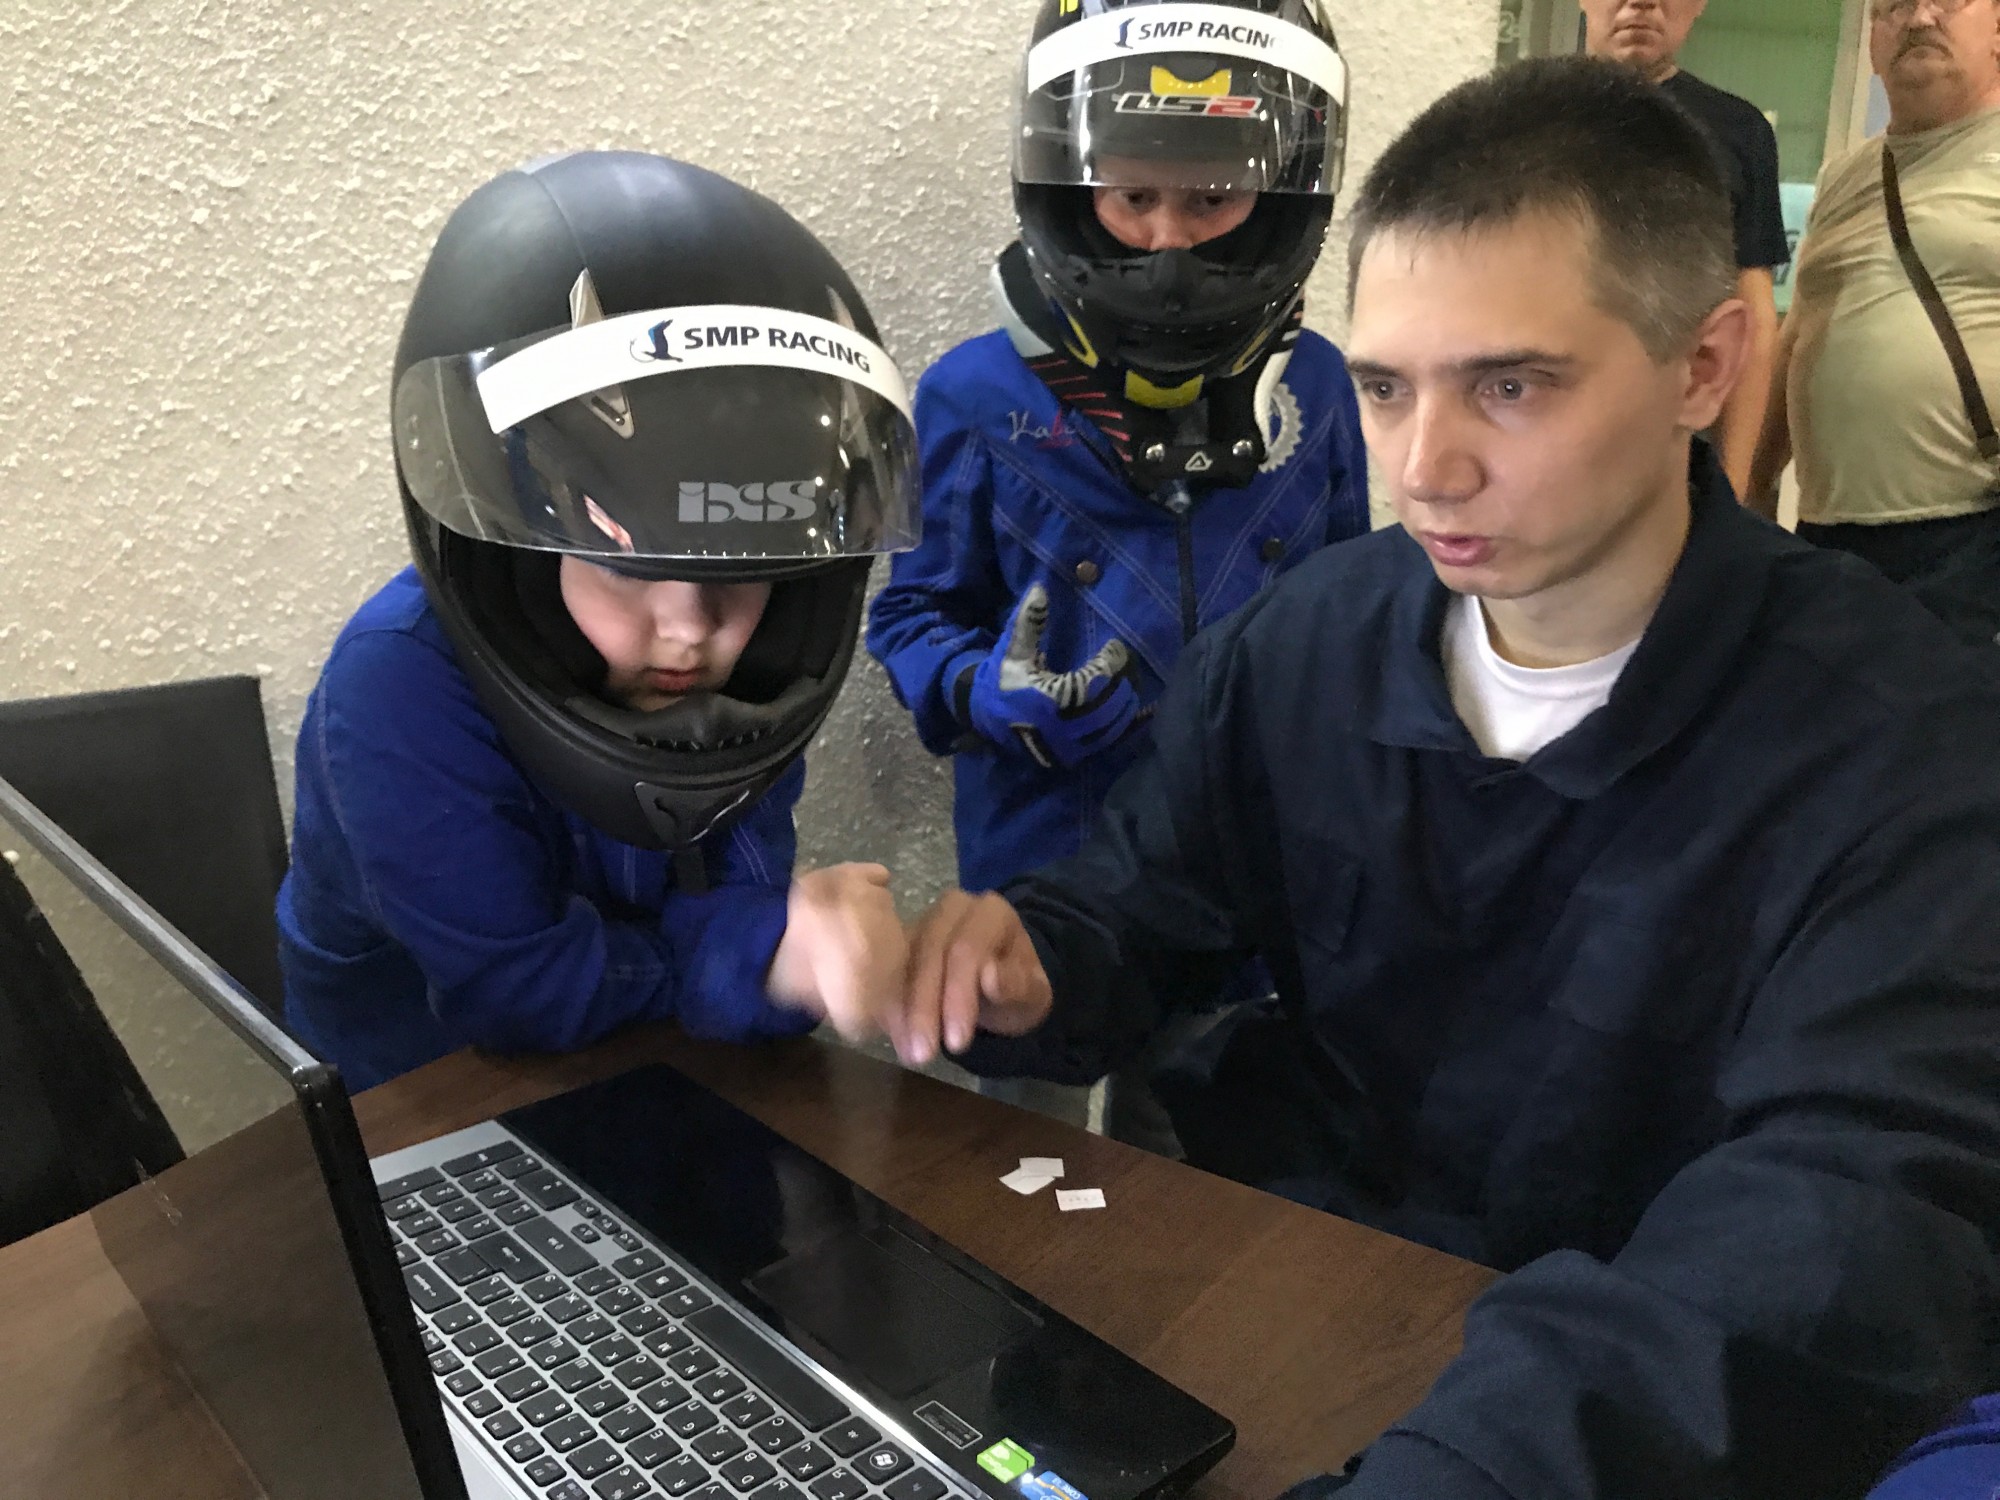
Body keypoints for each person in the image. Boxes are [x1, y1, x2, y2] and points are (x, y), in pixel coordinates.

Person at [840, 58, 2000, 1499]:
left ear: (1703, 369)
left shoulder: (1906, 742)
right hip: (1303, 1314)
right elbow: (1144, 909)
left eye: (1509, 387)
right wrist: (1025, 966)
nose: (1427, 468)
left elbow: (1846, 1228)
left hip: (1619, 1419)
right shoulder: (1307, 644)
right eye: (1385, 388)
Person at [277, 151, 916, 1090]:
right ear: (528, 550)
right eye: (629, 568)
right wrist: (755, 955)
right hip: (423, 1108)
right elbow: (520, 988)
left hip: (649, 1070)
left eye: (751, 576)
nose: (691, 629)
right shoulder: (393, 689)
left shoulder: (749, 669)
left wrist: (797, 941)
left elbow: (730, 897)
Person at [864, 0, 1369, 1144]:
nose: (1166, 244)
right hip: (1043, 885)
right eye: (1130, 196)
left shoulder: (1322, 390)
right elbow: (909, 613)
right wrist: (980, 691)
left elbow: (1353, 619)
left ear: (1277, 198)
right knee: (1026, 1180)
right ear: (1068, 183)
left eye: (1211, 199)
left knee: (1207, 1177)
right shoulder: (971, 399)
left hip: (1249, 885)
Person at [1749, 0, 2000, 648]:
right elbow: (1799, 337)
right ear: (1871, 40)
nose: (1919, 17)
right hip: (1828, 541)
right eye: (1894, 5)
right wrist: (1753, 486)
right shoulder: (1844, 177)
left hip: (1968, 541)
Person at [1581, 0, 1789, 502]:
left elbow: (1754, 318)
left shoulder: (1740, 131)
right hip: (1546, 422)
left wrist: (1733, 490)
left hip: (1683, 433)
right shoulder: (1525, 121)